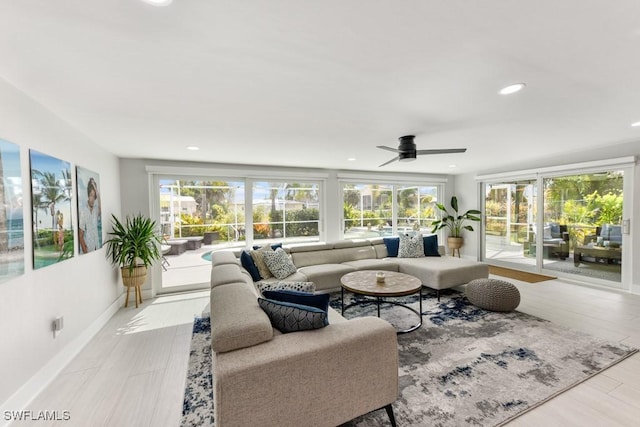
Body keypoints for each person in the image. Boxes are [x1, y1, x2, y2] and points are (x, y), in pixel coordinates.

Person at [79, 177, 101, 253]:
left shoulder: (96, 210)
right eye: (91, 195)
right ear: (88, 195)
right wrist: (86, 252)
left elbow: (100, 207)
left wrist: (96, 191)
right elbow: (80, 235)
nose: (92, 199)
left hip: (97, 247)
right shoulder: (83, 211)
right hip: (88, 250)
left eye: (94, 196)